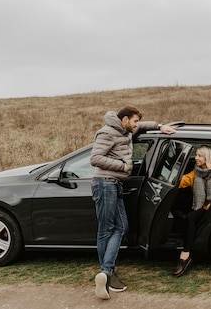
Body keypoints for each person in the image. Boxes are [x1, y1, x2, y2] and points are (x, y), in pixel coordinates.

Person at [90, 105, 175, 299]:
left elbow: (142, 126)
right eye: (134, 121)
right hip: (105, 183)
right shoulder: (107, 132)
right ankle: (107, 273)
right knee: (106, 229)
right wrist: (124, 166)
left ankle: (105, 273)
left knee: (121, 227)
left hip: (115, 184)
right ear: (125, 119)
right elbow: (95, 158)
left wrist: (159, 126)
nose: (136, 125)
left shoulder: (125, 129)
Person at [172, 145, 211, 277]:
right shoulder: (195, 173)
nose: (196, 158)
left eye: (199, 156)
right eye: (196, 155)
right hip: (200, 206)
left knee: (190, 217)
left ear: (206, 157)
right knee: (184, 213)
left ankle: (185, 254)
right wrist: (172, 177)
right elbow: (179, 182)